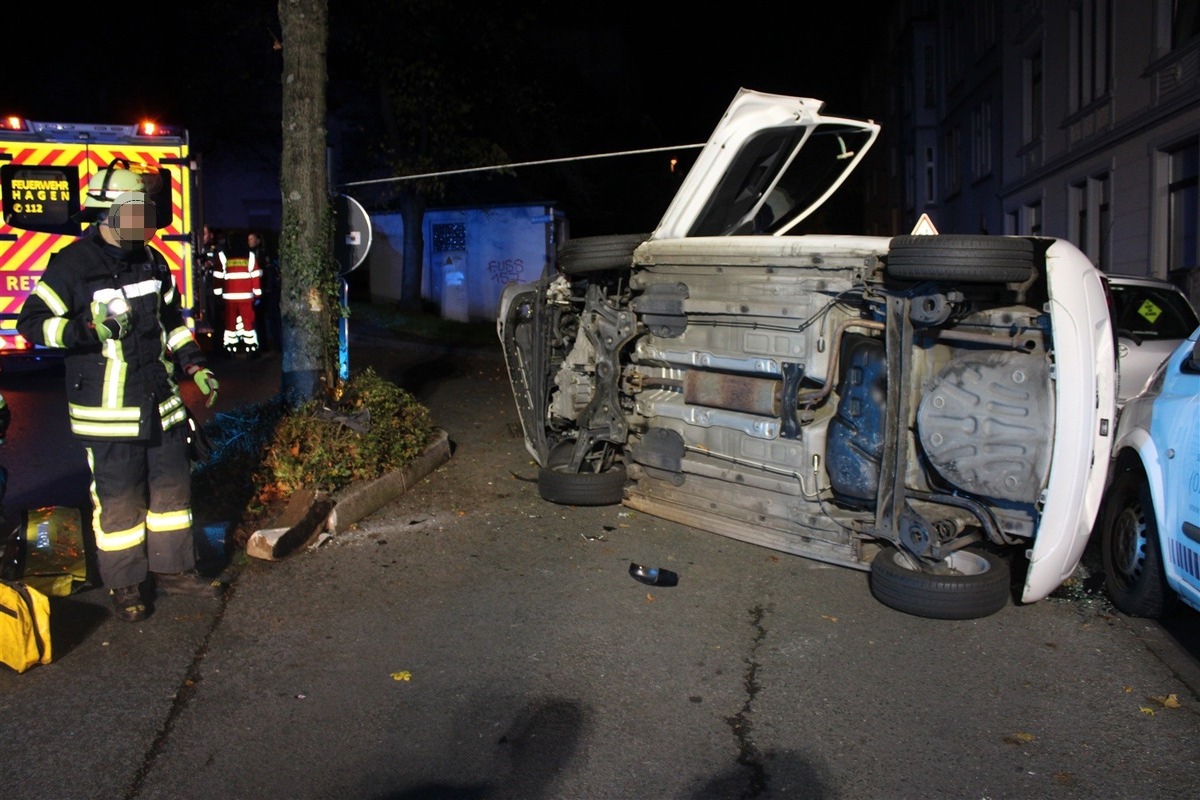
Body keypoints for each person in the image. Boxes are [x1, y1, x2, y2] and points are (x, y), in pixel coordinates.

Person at [16, 160, 223, 623]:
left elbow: (171, 324)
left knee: (171, 493)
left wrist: (195, 364)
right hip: (108, 413)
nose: (142, 223)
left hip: (162, 403)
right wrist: (87, 330)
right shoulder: (72, 266)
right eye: (133, 212)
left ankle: (173, 571)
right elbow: (30, 324)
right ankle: (127, 585)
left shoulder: (152, 260)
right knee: (120, 503)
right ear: (107, 215)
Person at [212, 235, 262, 355]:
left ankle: (230, 347)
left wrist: (217, 294)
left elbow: (218, 277)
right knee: (248, 322)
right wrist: (257, 295)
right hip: (246, 297)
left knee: (230, 322)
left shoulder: (223, 255)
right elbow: (255, 276)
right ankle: (251, 347)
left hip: (229, 298)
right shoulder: (250, 256)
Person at [248, 231, 281, 352]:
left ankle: (278, 345)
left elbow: (269, 272)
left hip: (267, 291)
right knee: (259, 320)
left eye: (252, 238)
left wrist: (268, 288)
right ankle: (263, 345)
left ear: (258, 240)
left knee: (273, 319)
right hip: (258, 292)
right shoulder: (250, 255)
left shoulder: (264, 254)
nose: (249, 241)